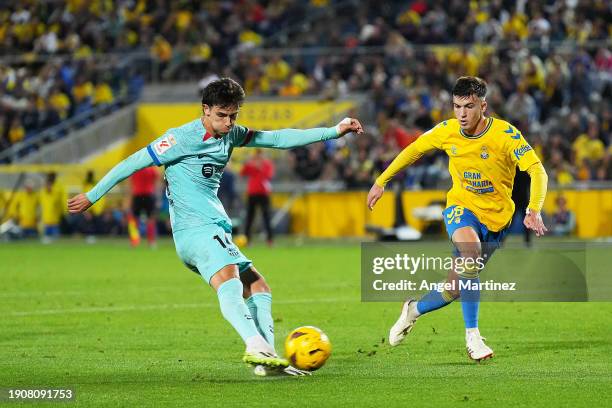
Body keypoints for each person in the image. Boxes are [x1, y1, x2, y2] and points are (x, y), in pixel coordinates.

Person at [68, 78, 363, 375]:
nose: (228, 122)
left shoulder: (231, 135)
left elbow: (277, 139)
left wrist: (333, 131)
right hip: (194, 231)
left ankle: (268, 361)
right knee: (229, 277)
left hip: (214, 228)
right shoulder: (180, 138)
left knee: (258, 286)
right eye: (222, 115)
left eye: (233, 115)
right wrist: (93, 196)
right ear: (205, 110)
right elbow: (132, 162)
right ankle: (254, 344)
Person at [367, 76, 548, 361]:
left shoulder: (505, 135)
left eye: (469, 106)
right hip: (461, 208)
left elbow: (537, 171)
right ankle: (473, 337)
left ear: (483, 106)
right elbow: (414, 150)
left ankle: (412, 309)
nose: (462, 114)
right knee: (471, 254)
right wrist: (381, 181)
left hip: (497, 220)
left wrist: (533, 208)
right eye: (456, 106)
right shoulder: (447, 131)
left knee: (454, 288)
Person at [240, 149, 274, 245]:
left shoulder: (267, 164)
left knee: (266, 216)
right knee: (250, 217)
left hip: (263, 193)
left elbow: (269, 175)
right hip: (253, 193)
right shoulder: (251, 164)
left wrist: (259, 167)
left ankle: (270, 240)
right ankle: (247, 240)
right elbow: (242, 173)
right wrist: (249, 163)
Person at [128, 167, 159, 247]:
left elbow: (131, 185)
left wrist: (129, 199)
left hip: (137, 195)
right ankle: (151, 241)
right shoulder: (152, 169)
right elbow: (156, 182)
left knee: (134, 218)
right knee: (151, 219)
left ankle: (134, 241)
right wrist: (157, 197)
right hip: (149, 195)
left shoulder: (135, 168)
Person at [40, 172, 66, 243]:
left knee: (56, 243)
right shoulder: (43, 193)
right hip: (46, 222)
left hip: (55, 222)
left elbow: (59, 201)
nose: (48, 186)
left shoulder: (56, 192)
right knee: (46, 244)